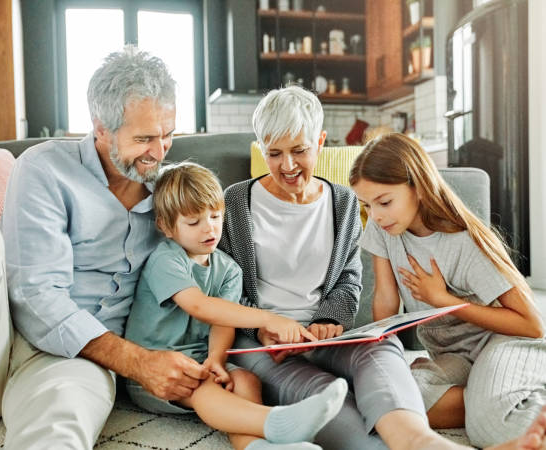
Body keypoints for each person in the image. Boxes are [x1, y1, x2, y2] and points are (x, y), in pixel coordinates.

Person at [218, 85, 546, 450]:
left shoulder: (343, 202)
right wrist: (264, 325)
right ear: (261, 147)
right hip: (266, 343)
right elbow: (224, 287)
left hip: (334, 338)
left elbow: (347, 280)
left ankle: (444, 429)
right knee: (347, 396)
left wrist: (329, 321)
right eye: (273, 153)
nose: (287, 165)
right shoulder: (235, 203)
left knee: (385, 362)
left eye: (299, 150)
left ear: (320, 142)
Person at [0, 46, 212, 449]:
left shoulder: (172, 194)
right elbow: (35, 294)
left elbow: (213, 263)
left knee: (57, 431)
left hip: (77, 363)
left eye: (168, 135)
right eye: (144, 138)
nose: (159, 151)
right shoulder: (44, 167)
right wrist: (138, 362)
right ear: (100, 127)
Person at [124, 162, 347, 450]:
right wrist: (266, 319)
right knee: (200, 387)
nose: (209, 229)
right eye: (194, 222)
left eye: (216, 217)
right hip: (154, 372)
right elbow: (199, 306)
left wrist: (216, 358)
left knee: (245, 380)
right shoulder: (166, 259)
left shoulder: (228, 269)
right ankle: (277, 421)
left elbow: (223, 321)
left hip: (199, 359)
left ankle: (257, 447)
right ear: (166, 226)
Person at [349, 132, 546, 448]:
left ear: (419, 187)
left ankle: (501, 398)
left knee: (489, 426)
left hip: (505, 342)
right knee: (389, 398)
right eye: (367, 205)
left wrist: (444, 300)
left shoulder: (464, 240)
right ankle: (498, 395)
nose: (376, 215)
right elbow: (386, 297)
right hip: (455, 356)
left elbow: (531, 325)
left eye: (384, 202)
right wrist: (382, 353)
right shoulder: (383, 228)